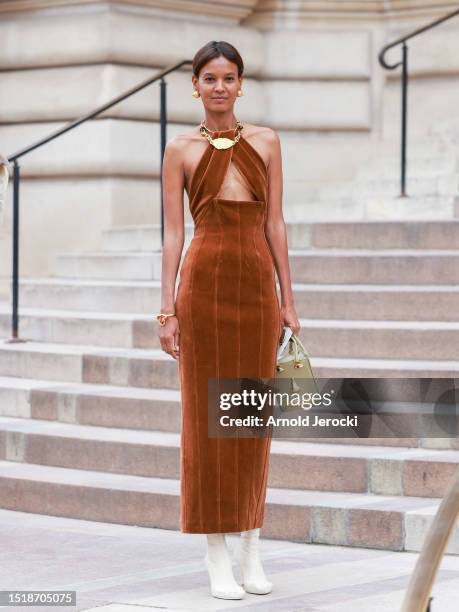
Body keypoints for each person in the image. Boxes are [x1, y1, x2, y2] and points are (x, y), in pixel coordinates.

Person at [156, 40, 300, 600]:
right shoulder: (179, 150)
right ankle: (215, 552)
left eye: (229, 77)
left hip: (256, 289)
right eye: (209, 78)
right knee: (205, 421)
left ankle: (251, 546)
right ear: (195, 85)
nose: (220, 86)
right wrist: (166, 308)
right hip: (204, 284)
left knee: (250, 418)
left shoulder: (267, 142)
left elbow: (278, 223)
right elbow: (172, 234)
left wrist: (290, 298)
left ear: (242, 84)